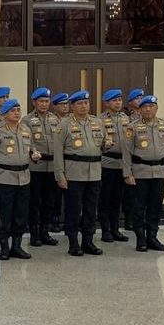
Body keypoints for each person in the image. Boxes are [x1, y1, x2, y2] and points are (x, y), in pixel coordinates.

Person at [53, 90, 110, 257]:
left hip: (94, 173)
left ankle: (88, 241)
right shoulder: (65, 124)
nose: (84, 106)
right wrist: (60, 175)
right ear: (72, 106)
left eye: (86, 103)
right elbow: (58, 152)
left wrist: (107, 144)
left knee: (91, 210)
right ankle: (73, 242)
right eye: (80, 103)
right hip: (74, 173)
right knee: (73, 209)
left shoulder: (97, 122)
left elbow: (103, 142)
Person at [0, 99, 40, 260]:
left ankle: (17, 245)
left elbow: (32, 149)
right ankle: (3, 245)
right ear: (4, 114)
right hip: (4, 177)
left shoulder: (25, 130)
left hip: (23, 177)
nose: (16, 113)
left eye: (18, 109)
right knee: (4, 213)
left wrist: (35, 155)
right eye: (12, 110)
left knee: (21, 213)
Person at [123, 95, 164, 252]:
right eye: (145, 107)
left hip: (160, 172)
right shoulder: (132, 127)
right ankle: (141, 238)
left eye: (151, 106)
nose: (148, 109)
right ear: (140, 109)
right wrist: (127, 174)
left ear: (156, 108)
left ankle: (152, 237)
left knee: (156, 206)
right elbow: (127, 153)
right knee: (139, 207)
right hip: (140, 172)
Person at [22, 87, 60, 247]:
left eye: (47, 101)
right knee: (35, 202)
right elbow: (27, 141)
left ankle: (45, 232)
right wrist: (33, 151)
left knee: (49, 201)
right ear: (34, 102)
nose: (45, 104)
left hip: (52, 166)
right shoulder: (27, 120)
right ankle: (35, 233)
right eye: (41, 101)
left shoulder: (55, 119)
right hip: (36, 166)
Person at [98, 89, 130, 243]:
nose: (118, 102)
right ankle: (105, 230)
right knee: (105, 198)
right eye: (114, 100)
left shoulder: (126, 118)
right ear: (106, 103)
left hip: (122, 164)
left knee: (118, 198)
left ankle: (115, 228)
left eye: (119, 99)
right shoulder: (100, 120)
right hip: (107, 163)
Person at [122, 88, 145, 230]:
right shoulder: (125, 117)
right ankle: (128, 218)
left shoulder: (146, 116)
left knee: (139, 192)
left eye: (142, 98)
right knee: (128, 192)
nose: (141, 101)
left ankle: (139, 218)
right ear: (130, 102)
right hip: (126, 158)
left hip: (141, 161)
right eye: (138, 98)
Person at [50, 92, 70, 232]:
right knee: (55, 194)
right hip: (54, 162)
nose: (65, 107)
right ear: (55, 106)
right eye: (62, 104)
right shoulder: (51, 119)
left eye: (67, 104)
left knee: (71, 195)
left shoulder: (72, 120)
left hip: (71, 162)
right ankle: (55, 219)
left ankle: (70, 220)